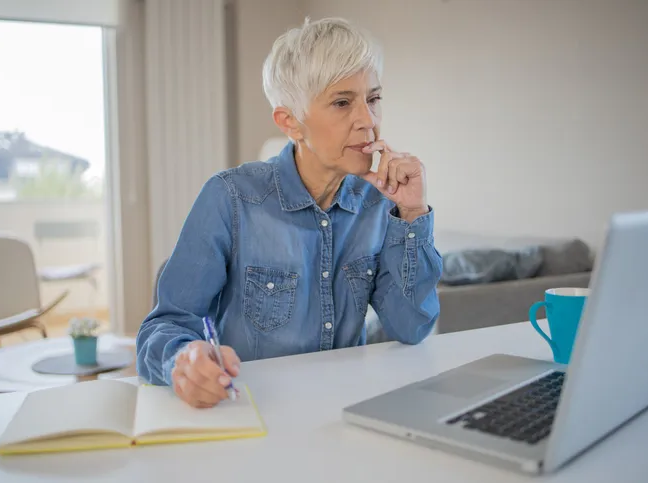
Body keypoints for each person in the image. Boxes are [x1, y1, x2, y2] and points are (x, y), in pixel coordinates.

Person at [136, 17, 443, 408]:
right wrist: (183, 360)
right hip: (253, 413)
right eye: (343, 102)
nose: (368, 120)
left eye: (374, 98)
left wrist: (413, 212)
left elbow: (412, 326)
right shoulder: (229, 198)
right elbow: (163, 327)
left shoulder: (380, 204)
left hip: (346, 412)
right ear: (290, 123)